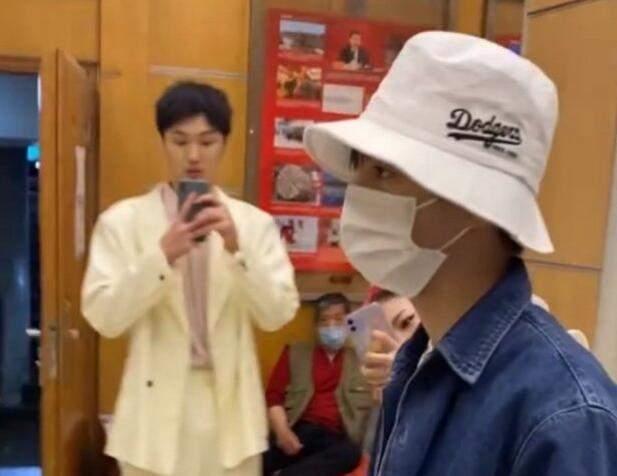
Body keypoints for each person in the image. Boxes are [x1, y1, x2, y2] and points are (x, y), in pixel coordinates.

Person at [304, 31, 617, 475]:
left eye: (385, 172)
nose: (359, 193)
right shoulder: (415, 368)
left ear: (476, 201)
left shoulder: (562, 415)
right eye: (360, 169)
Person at [82, 81, 300, 476]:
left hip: (232, 416)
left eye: (207, 141)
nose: (194, 155)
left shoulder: (254, 225)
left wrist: (237, 248)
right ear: (163, 142)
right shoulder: (123, 222)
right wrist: (161, 256)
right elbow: (103, 317)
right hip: (151, 415)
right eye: (180, 141)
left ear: (225, 143)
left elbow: (277, 314)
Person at [263, 293, 371, 476]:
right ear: (316, 326)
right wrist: (282, 432)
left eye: (338, 319)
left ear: (348, 324)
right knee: (258, 460)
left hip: (333, 438)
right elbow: (274, 397)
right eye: (324, 321)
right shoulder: (294, 352)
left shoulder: (361, 361)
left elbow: (375, 402)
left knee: (350, 454)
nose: (331, 326)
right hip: (297, 429)